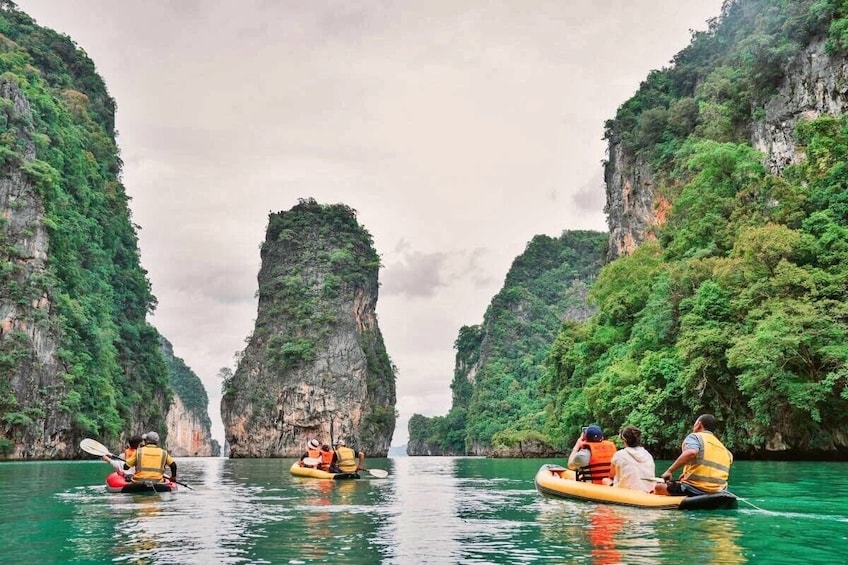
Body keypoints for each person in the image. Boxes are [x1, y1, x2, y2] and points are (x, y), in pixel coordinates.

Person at [654, 413, 733, 496]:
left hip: (695, 489)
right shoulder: (722, 447)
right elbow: (726, 459)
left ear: (699, 424)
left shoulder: (695, 437)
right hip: (718, 490)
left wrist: (669, 471)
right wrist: (686, 474)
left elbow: (691, 452)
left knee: (658, 487)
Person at [604, 425, 656, 492]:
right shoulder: (648, 454)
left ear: (624, 440)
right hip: (648, 491)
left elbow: (611, 475)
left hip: (625, 493)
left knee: (605, 480)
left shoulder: (619, 455)